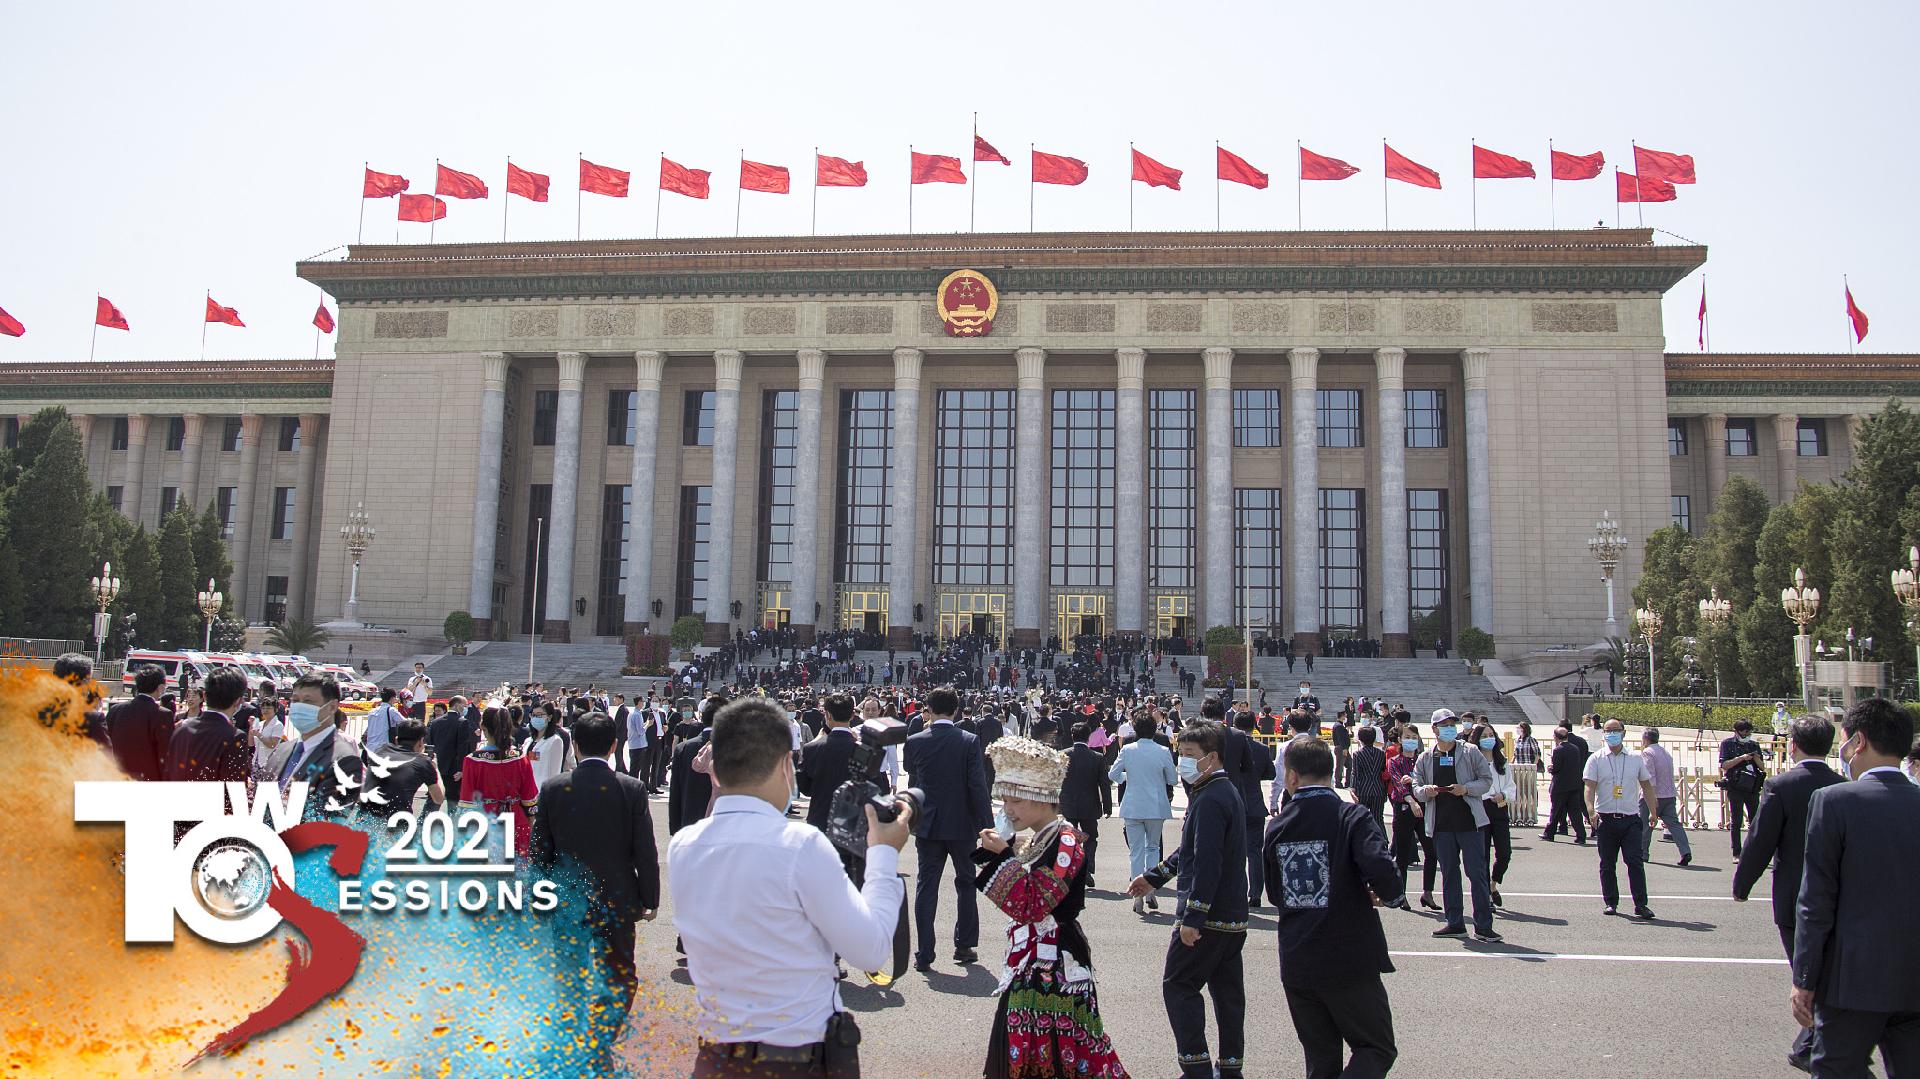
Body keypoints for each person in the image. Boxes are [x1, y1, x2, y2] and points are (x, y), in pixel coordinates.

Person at [669, 697, 908, 1077]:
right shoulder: (799, 846)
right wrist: (883, 854)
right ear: (784, 764)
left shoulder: (683, 846)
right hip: (793, 1053)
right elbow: (870, 950)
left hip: (717, 1051)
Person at [973, 737, 1129, 1079]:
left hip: (1055, 959)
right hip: (1036, 954)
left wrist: (1001, 857)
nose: (1008, 809)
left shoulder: (1066, 841)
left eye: (1016, 800)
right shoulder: (1040, 837)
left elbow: (1033, 903)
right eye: (1004, 800)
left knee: (1053, 1048)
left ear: (1043, 798)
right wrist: (999, 853)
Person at [1791, 697, 1920, 1076]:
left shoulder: (1834, 801)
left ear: (1857, 742)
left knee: (1835, 1068)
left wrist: (1804, 979)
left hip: (1852, 979)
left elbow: (1815, 900)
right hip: (1915, 977)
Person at [1263, 735, 1405, 1079]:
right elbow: (1382, 869)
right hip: (1347, 954)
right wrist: (1387, 894)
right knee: (1375, 1047)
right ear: (1333, 770)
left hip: (1298, 954)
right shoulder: (1350, 816)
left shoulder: (1278, 826)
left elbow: (1274, 893)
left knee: (1321, 1059)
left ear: (1292, 776)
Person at [1129, 720, 1247, 1079]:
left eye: (1190, 756)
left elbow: (1207, 861)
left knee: (1179, 985)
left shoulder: (1210, 797)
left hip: (1207, 914)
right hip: (1232, 913)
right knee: (1227, 995)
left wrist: (1193, 917)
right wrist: (1155, 877)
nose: (1184, 763)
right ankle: (1230, 1068)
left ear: (1211, 757)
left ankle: (1195, 1065)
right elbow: (1193, 850)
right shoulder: (1222, 790)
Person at [1733, 713, 1843, 1072]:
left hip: (1794, 894)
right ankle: (1813, 1040)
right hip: (1837, 895)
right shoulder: (1842, 785)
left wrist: (1742, 885)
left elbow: (1761, 841)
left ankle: (1817, 1041)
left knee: (1804, 969)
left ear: (1791, 744)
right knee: (1825, 966)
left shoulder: (1781, 786)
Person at [532, 711, 658, 1016]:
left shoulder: (552, 788)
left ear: (574, 745)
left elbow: (539, 851)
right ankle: (606, 1025)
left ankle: (572, 1021)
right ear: (614, 746)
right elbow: (645, 849)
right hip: (617, 893)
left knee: (568, 965)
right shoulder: (631, 788)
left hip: (567, 895)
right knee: (618, 967)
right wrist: (650, 898)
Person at [903, 686, 992, 972]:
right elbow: (977, 786)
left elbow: (911, 772)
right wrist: (986, 826)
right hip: (962, 823)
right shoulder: (969, 740)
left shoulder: (915, 740)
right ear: (955, 710)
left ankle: (924, 952)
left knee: (926, 886)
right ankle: (964, 945)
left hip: (928, 823)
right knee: (966, 883)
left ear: (928, 709)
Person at [1412, 709, 1499, 941]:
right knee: (1449, 873)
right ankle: (1455, 922)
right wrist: (1426, 792)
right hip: (1441, 825)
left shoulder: (1470, 752)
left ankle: (1483, 925)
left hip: (1469, 823)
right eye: (1443, 724)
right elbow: (1416, 788)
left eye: (1452, 724)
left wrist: (1466, 788)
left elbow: (1486, 781)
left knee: (1476, 873)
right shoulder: (1426, 757)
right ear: (1434, 729)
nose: (1449, 728)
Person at [1582, 718, 1659, 919]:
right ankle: (1610, 902)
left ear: (1624, 733)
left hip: (1630, 819)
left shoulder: (1635, 758)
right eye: (1608, 731)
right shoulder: (1596, 758)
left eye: (1615, 730)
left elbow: (1647, 786)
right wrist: (1591, 812)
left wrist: (1653, 811)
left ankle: (1641, 904)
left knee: (1635, 862)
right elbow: (1589, 787)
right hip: (1606, 819)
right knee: (1607, 863)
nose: (1611, 734)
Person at [263, 673, 360, 820]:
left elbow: (329, 823)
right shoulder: (281, 750)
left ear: (332, 706)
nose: (299, 707)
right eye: (295, 701)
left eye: (308, 701)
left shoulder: (345, 761)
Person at [1110, 710, 1177, 915]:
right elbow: (1173, 779)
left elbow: (1113, 773)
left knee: (1136, 850)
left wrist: (1127, 778)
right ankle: (1151, 889)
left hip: (1133, 803)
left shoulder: (1128, 750)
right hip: (1156, 804)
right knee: (1153, 848)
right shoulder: (1163, 751)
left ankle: (1137, 894)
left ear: (1135, 729)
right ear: (1155, 728)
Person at [459, 706, 540, 858]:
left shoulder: (472, 760)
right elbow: (529, 800)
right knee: (518, 875)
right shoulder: (520, 758)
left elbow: (467, 804)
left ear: (482, 727)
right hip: (516, 820)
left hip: (485, 823)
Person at [161, 665, 249, 783]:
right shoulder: (235, 737)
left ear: (204, 696)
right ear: (238, 701)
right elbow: (233, 791)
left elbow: (167, 776)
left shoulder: (181, 731)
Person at [797, 693, 861, 836]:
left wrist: (816, 741)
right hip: (853, 823)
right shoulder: (863, 750)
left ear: (827, 715)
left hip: (820, 820)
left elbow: (804, 787)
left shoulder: (812, 748)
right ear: (852, 715)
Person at [1388, 725, 1436, 909]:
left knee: (1431, 852)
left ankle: (1428, 893)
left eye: (1414, 737)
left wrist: (1417, 782)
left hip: (1424, 807)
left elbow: (1430, 780)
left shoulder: (1423, 760)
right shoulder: (1395, 761)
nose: (1411, 740)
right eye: (1407, 737)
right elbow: (1398, 783)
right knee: (1403, 854)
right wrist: (1411, 801)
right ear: (1400, 739)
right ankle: (1402, 894)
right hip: (1405, 809)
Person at [360, 718, 443, 819]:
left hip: (365, 817)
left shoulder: (380, 752)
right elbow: (438, 799)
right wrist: (434, 771)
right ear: (421, 742)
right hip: (397, 823)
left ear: (396, 739)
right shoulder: (423, 763)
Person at [106, 664, 175, 781]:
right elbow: (166, 754)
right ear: (161, 687)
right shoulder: (163, 714)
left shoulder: (115, 710)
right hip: (148, 778)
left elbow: (107, 746)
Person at [1058, 722, 1106, 885]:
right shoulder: (1097, 757)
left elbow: (1054, 781)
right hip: (1089, 804)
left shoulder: (1062, 755)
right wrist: (1107, 806)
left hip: (1068, 803)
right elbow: (1104, 784)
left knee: (1068, 838)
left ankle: (1068, 870)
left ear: (1072, 736)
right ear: (1089, 737)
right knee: (1091, 837)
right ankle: (1086, 867)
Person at [1638, 727, 1693, 867]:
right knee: (1674, 825)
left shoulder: (1647, 753)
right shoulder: (1665, 752)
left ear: (1645, 739)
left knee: (1646, 825)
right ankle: (1685, 851)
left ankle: (1643, 853)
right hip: (1669, 795)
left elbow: (1650, 778)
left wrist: (1652, 797)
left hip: (1653, 795)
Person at [1475, 722, 1515, 907]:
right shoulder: (1473, 760)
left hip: (1499, 807)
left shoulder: (1503, 762)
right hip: (1480, 808)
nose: (1488, 738)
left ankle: (1493, 884)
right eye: (1484, 736)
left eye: (1491, 734)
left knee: (1505, 853)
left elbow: (1511, 786)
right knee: (1482, 856)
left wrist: (1503, 794)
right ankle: (1484, 895)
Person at [1719, 718, 1768, 856]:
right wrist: (1741, 758)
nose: (1746, 734)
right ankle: (1737, 852)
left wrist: (1756, 757)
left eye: (1748, 732)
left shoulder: (1754, 745)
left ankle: (1753, 850)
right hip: (1735, 786)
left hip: (1752, 786)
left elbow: (1762, 767)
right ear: (1736, 731)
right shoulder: (1727, 744)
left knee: (1754, 819)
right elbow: (1724, 765)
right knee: (1736, 819)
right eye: (1744, 732)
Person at [426, 696, 476, 808]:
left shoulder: (435, 722)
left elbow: (431, 745)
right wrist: (461, 769)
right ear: (457, 705)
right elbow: (462, 747)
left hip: (438, 766)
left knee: (433, 800)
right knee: (453, 802)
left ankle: (423, 823)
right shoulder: (462, 722)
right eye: (464, 706)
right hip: (454, 769)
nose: (466, 708)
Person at [1541, 727, 1588, 844]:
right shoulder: (1575, 748)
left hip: (1560, 786)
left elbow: (1556, 768)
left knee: (1556, 811)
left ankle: (1549, 833)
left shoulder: (1558, 750)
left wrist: (1550, 768)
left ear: (1555, 737)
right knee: (1575, 812)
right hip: (1574, 785)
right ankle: (1581, 835)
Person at [1350, 725, 1388, 831]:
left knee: (1361, 818)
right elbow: (1383, 772)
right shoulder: (1381, 754)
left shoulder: (1358, 754)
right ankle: (1383, 841)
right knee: (1378, 818)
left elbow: (1356, 773)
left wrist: (1353, 789)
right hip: (1378, 789)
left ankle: (1362, 842)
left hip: (1363, 790)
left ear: (1360, 739)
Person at [528, 707, 574, 787]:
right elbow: (533, 759)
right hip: (530, 787)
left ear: (549, 718)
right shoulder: (529, 740)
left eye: (539, 715)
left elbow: (553, 768)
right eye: (533, 715)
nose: (535, 718)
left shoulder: (556, 740)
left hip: (544, 786)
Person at [363, 687, 404, 755]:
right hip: (384, 748)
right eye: (395, 697)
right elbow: (404, 722)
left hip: (370, 747)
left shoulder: (372, 711)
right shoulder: (391, 710)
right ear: (392, 698)